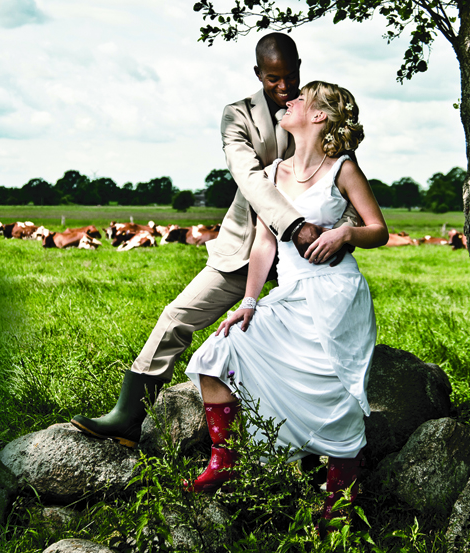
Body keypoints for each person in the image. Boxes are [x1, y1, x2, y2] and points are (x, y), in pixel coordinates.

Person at [70, 33, 361, 448]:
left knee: (315, 347)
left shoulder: (318, 107)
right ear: (258, 74)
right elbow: (249, 178)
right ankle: (129, 415)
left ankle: (309, 439)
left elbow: (347, 179)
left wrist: (340, 235)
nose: (284, 87)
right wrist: (294, 226)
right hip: (248, 248)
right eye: (273, 78)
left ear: (300, 64)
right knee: (176, 317)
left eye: (290, 75)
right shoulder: (237, 116)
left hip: (310, 260)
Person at [183, 81, 389, 521]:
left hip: (337, 295)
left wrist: (346, 232)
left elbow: (379, 229)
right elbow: (263, 243)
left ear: (318, 117)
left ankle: (339, 498)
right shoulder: (272, 173)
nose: (289, 101)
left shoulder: (343, 169)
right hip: (288, 293)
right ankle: (226, 461)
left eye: (301, 99)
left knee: (338, 394)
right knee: (215, 353)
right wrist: (251, 301)